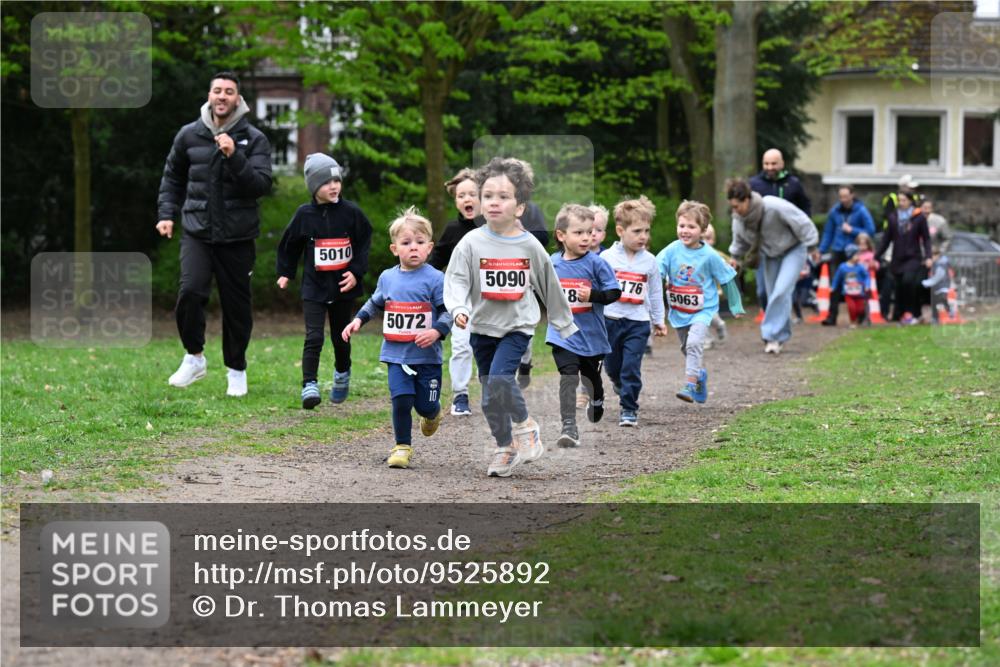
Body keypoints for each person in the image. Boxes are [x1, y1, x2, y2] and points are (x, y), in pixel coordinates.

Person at [444, 157, 577, 478]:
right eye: (487, 195)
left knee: (502, 381)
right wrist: (458, 308)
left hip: (517, 326)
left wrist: (563, 322)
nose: (493, 202)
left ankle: (525, 425)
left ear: (519, 207)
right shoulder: (471, 242)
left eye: (503, 196)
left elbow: (549, 283)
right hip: (480, 327)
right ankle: (505, 447)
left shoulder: (529, 245)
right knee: (489, 399)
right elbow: (456, 279)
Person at [157, 72, 272, 396]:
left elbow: (261, 186)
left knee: (237, 307)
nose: (222, 96)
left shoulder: (254, 139)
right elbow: (172, 178)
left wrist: (234, 155)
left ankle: (236, 369)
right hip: (197, 231)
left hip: (238, 236)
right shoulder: (188, 135)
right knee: (190, 292)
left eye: (229, 92)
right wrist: (166, 214)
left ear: (238, 99)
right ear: (209, 95)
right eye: (217, 90)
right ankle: (194, 357)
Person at [342, 208, 451, 468]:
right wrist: (358, 319)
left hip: (427, 357)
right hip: (396, 354)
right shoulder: (388, 277)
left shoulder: (436, 279)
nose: (413, 248)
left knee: (425, 405)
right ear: (394, 249)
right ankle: (402, 446)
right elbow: (375, 302)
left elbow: (448, 312)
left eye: (420, 242)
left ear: (429, 247)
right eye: (406, 243)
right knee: (401, 400)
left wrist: (436, 331)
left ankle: (433, 413)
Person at [276, 153, 373, 407]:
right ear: (313, 187)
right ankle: (309, 384)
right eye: (326, 182)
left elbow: (364, 240)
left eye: (337, 181)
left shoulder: (351, 212)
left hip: (343, 287)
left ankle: (342, 373)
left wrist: (356, 271)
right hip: (314, 287)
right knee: (314, 336)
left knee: (341, 337)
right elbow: (289, 244)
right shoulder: (304, 215)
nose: (333, 186)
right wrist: (286, 272)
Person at [547, 204, 621, 447]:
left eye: (590, 232)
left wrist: (593, 295)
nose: (587, 237)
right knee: (568, 377)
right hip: (562, 334)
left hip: (591, 336)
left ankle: (597, 398)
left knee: (590, 378)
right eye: (579, 233)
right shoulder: (552, 263)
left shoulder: (596, 263)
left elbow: (614, 293)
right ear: (561, 235)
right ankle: (569, 426)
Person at [656, 201, 744, 404]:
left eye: (691, 227)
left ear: (703, 230)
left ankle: (689, 384)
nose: (685, 231)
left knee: (695, 343)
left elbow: (727, 278)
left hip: (703, 310)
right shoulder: (671, 250)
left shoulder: (710, 256)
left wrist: (735, 305)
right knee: (687, 348)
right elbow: (656, 270)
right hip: (679, 310)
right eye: (681, 226)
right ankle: (700, 376)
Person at [727, 178, 818, 354]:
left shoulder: (773, 206)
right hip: (769, 255)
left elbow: (802, 222)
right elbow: (739, 241)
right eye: (732, 206)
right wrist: (735, 258)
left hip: (793, 249)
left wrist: (812, 245)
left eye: (737, 206)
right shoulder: (739, 218)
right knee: (770, 295)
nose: (735, 210)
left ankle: (770, 336)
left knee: (781, 290)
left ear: (746, 199)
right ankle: (781, 335)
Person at [602, 195, 668, 427]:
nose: (644, 237)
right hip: (610, 320)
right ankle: (618, 383)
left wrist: (658, 320)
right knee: (612, 366)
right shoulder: (606, 259)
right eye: (637, 231)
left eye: (647, 231)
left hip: (638, 322)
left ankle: (629, 408)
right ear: (620, 230)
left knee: (631, 366)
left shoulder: (650, 261)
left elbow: (655, 293)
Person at [429, 168, 484, 417]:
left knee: (489, 345)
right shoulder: (452, 230)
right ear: (456, 200)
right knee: (461, 345)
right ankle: (460, 394)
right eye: (462, 195)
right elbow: (434, 262)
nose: (467, 199)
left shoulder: (497, 228)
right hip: (460, 299)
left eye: (473, 194)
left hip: (492, 298)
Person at [748, 148, 812, 316]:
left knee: (782, 289)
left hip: (788, 244)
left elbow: (805, 209)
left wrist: (804, 234)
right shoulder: (754, 185)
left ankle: (775, 329)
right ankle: (770, 317)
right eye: (766, 163)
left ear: (782, 163)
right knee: (763, 291)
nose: (770, 167)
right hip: (764, 245)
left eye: (774, 163)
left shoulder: (793, 184)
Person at [819, 185, 875, 326]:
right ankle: (832, 316)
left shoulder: (861, 211)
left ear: (852, 195)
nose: (843, 200)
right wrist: (822, 250)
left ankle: (863, 316)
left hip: (855, 253)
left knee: (858, 284)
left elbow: (870, 231)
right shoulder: (835, 212)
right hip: (838, 250)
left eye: (845, 196)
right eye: (840, 197)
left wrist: (852, 230)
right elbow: (828, 232)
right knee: (835, 284)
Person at [876, 191, 932, 324]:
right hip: (897, 257)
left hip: (913, 257)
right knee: (899, 286)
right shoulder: (893, 217)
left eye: (904, 200)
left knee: (909, 282)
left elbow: (926, 239)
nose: (901, 203)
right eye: (899, 200)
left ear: (910, 201)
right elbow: (886, 240)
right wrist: (876, 256)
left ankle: (912, 312)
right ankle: (900, 314)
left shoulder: (918, 218)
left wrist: (928, 256)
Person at [701, 223, 731, 346]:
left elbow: (730, 266)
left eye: (708, 238)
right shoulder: (692, 256)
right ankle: (707, 340)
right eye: (702, 239)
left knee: (710, 316)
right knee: (699, 316)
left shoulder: (717, 255)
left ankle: (719, 324)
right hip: (696, 293)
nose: (705, 242)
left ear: (713, 240)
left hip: (714, 292)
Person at [828, 243, 870, 328]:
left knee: (860, 309)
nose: (858, 257)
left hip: (860, 293)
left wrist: (867, 285)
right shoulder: (842, 267)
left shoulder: (860, 267)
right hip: (848, 292)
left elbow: (867, 276)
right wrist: (833, 287)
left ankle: (860, 318)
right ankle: (853, 321)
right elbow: (837, 278)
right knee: (851, 307)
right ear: (850, 255)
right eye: (856, 255)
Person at [921, 246, 952, 324]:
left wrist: (926, 283)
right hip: (937, 287)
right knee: (934, 303)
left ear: (937, 255)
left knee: (942, 300)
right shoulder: (936, 263)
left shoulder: (941, 264)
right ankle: (936, 318)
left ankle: (950, 314)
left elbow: (938, 277)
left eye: (931, 256)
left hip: (943, 286)